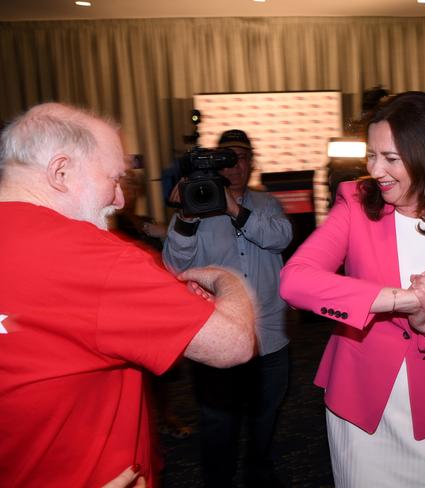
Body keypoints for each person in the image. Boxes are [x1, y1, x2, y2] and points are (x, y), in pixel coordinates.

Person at [0, 103, 256, 487]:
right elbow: (232, 344)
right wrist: (228, 280)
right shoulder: (97, 258)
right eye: (114, 178)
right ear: (61, 171)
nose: (120, 199)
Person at [279, 91, 425, 487]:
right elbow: (295, 280)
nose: (375, 169)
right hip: (360, 406)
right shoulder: (355, 202)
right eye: (371, 154)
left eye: (391, 158)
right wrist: (399, 300)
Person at [163, 129, 293, 487]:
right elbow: (174, 266)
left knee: (265, 416)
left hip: (269, 335)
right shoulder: (194, 206)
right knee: (218, 421)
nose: (235, 164)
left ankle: (259, 474)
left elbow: (280, 237)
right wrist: (186, 218)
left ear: (251, 163)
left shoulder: (267, 204)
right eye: (228, 156)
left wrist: (233, 207)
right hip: (217, 338)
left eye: (242, 156)